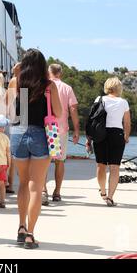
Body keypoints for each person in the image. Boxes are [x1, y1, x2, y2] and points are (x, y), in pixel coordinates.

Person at [8, 49, 62, 249]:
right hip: (41, 134)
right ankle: (30, 234)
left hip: (18, 133)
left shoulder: (16, 83)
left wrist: (15, 75)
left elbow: (10, 108)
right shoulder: (49, 86)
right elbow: (58, 111)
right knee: (36, 186)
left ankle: (21, 227)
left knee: (22, 183)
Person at [86, 77, 131, 207]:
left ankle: (103, 193)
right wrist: (126, 137)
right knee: (115, 166)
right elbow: (127, 123)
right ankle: (110, 197)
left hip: (100, 133)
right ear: (119, 88)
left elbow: (91, 120)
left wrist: (89, 139)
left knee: (101, 165)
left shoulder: (99, 99)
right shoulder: (124, 102)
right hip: (117, 134)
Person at [42, 64, 80, 204]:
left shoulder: (44, 86)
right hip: (61, 129)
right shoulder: (67, 88)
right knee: (60, 161)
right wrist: (76, 130)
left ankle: (43, 190)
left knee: (44, 160)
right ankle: (57, 192)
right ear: (61, 73)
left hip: (46, 126)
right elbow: (73, 109)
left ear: (49, 72)